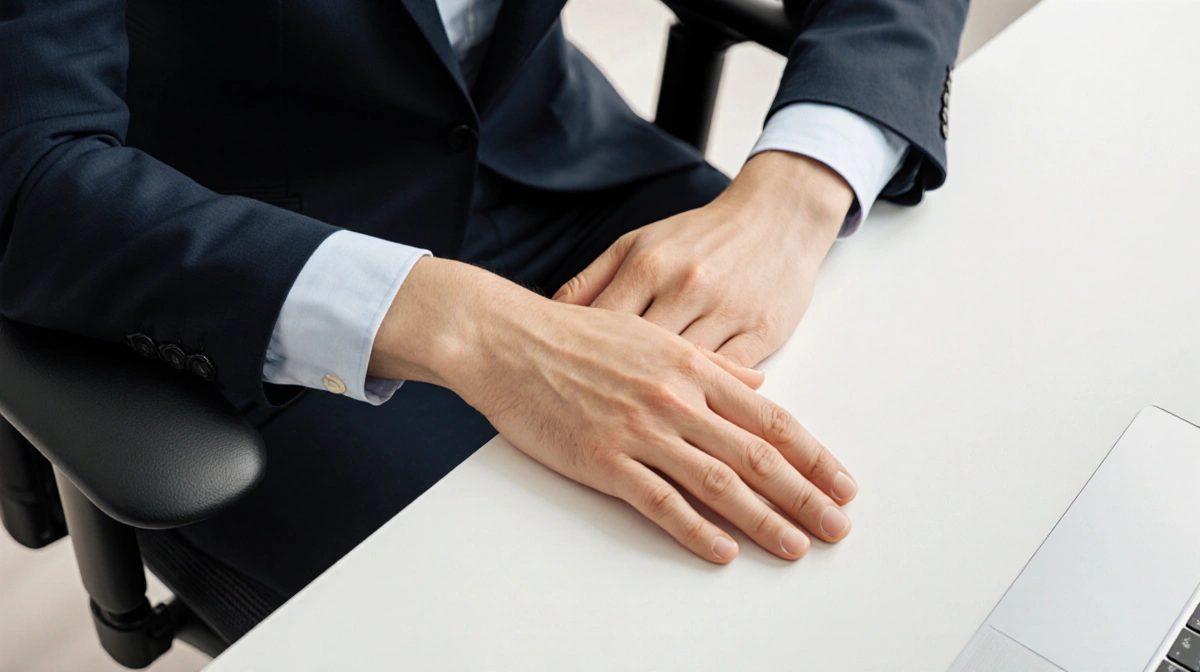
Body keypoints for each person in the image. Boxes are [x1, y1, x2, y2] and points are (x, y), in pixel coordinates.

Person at [0, 0, 967, 605]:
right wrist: (468, 325)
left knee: (921, 502)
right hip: (256, 290)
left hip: (564, 172)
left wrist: (794, 192)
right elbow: (26, 171)